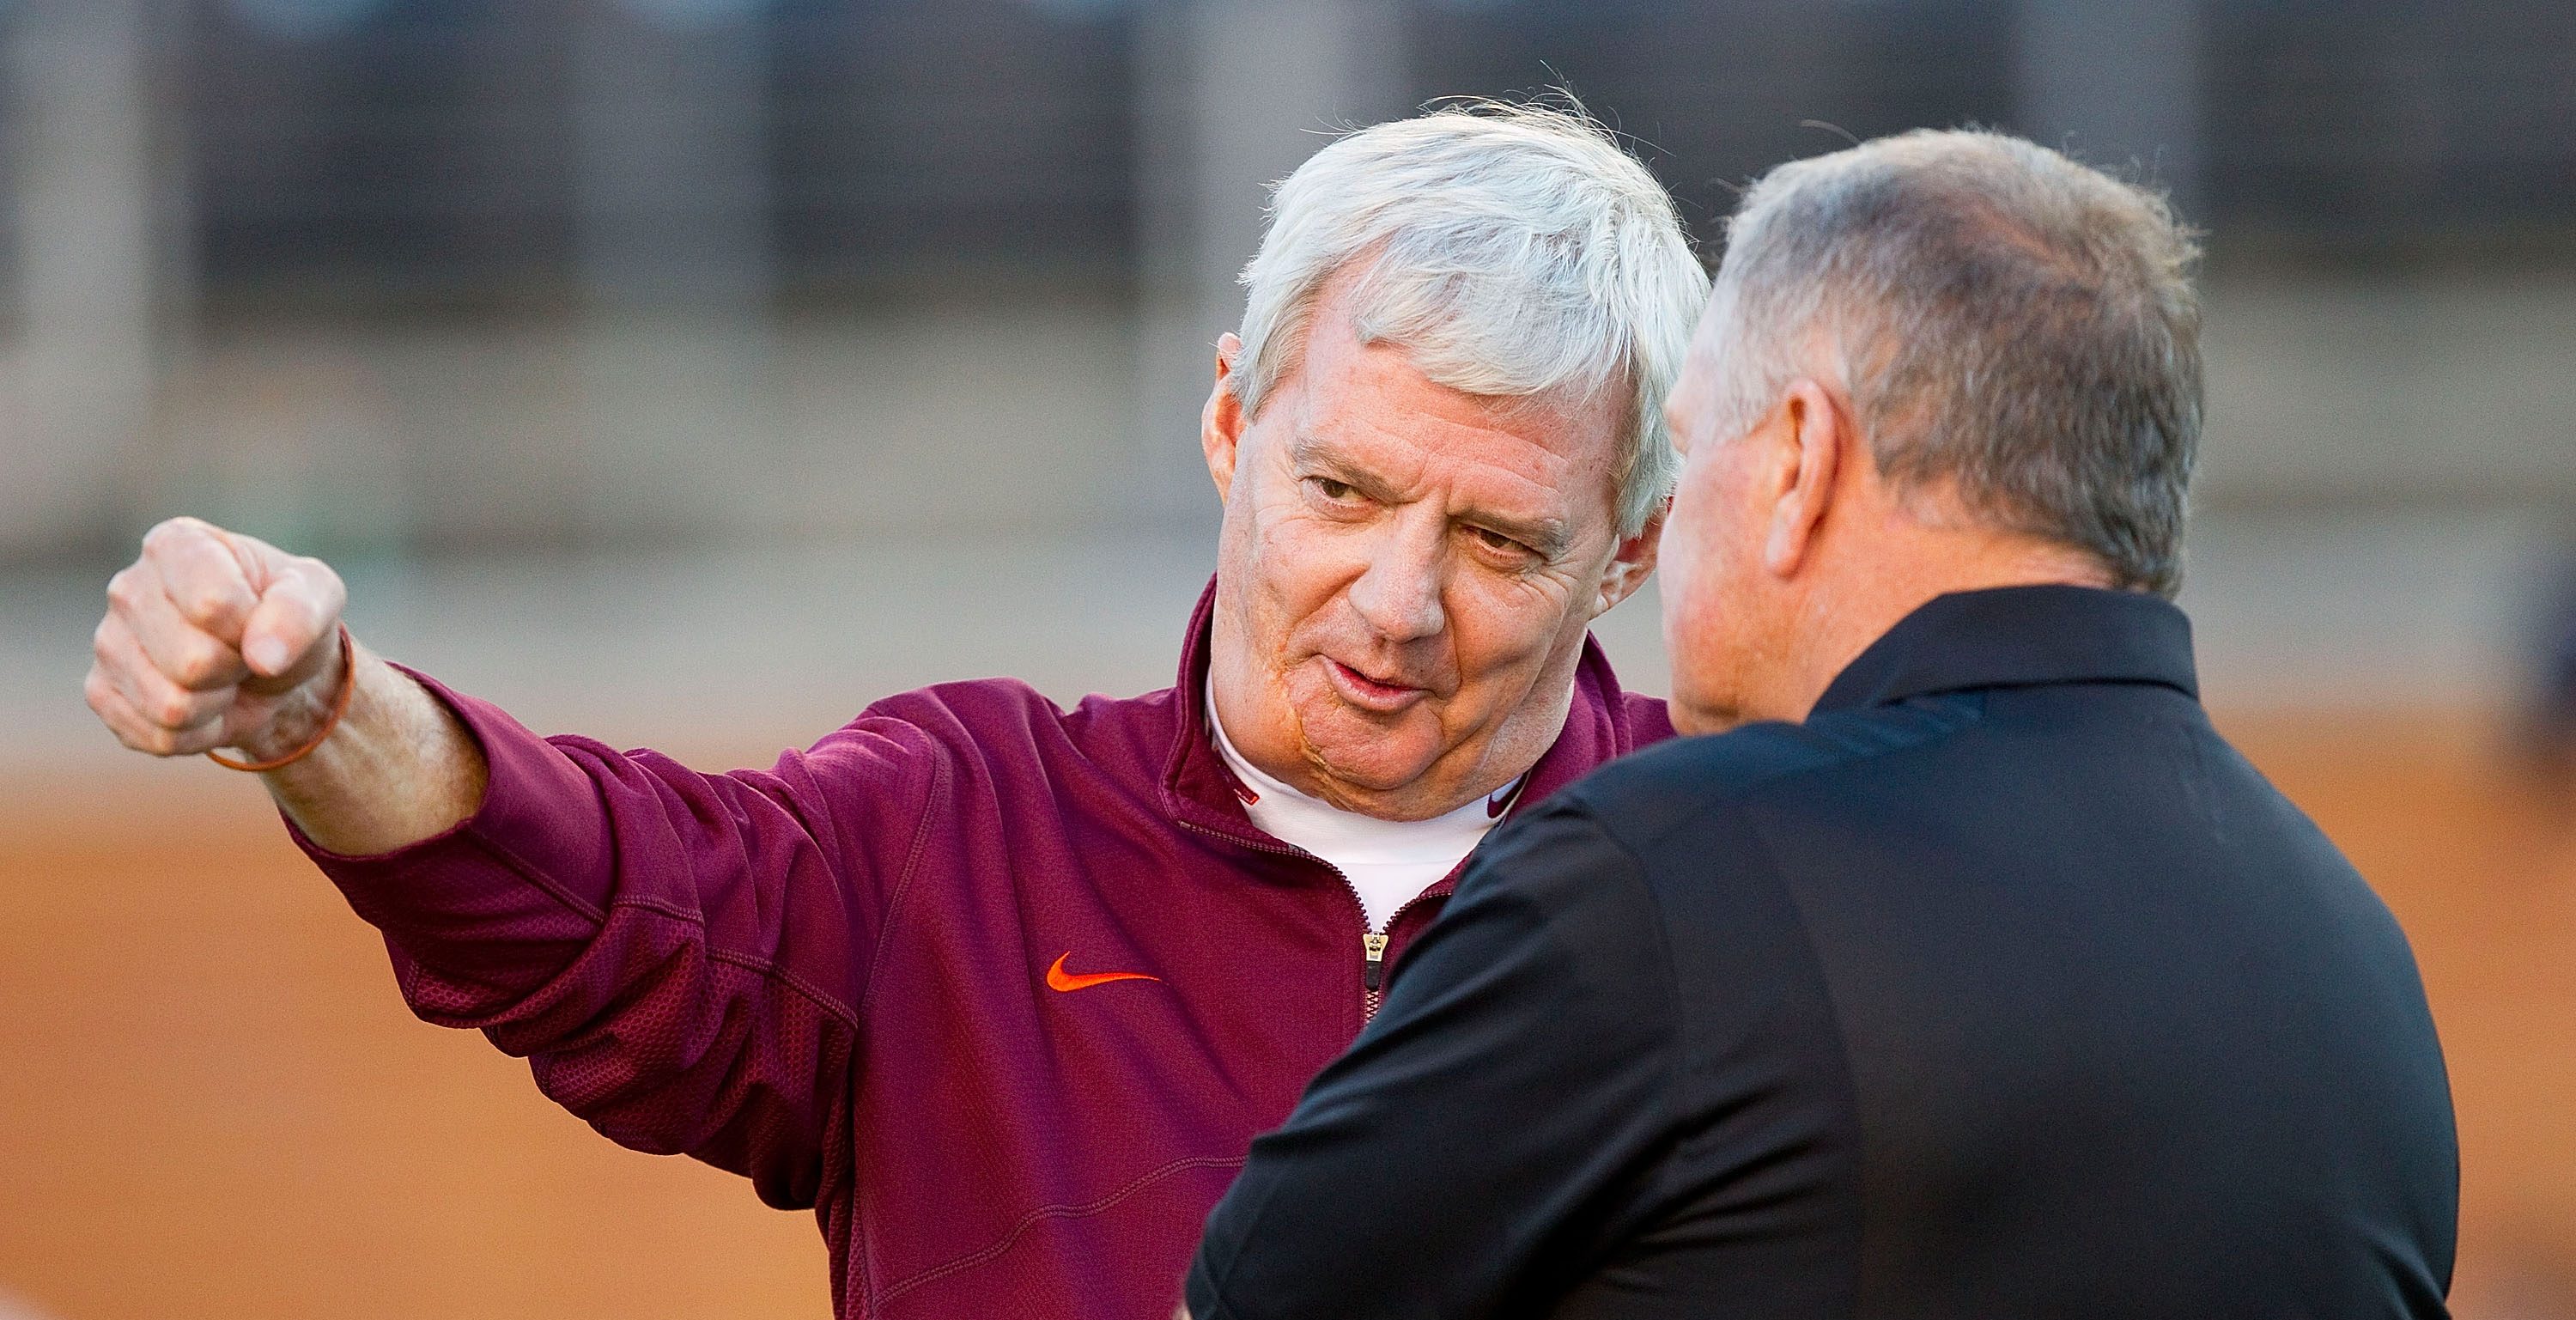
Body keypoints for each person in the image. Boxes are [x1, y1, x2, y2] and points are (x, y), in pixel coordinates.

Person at [81, 104, 1708, 1318]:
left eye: (1497, 539)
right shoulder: (965, 825)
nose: (1398, 599)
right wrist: (319, 711)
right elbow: (589, 895)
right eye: (1342, 489)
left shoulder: (1745, 875)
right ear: (1229, 421)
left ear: (1628, 550)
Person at [1184, 129, 2460, 1319]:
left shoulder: (1665, 875)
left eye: (1694, 450)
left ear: (1797, 460)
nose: (1670, 531)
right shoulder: (2363, 964)